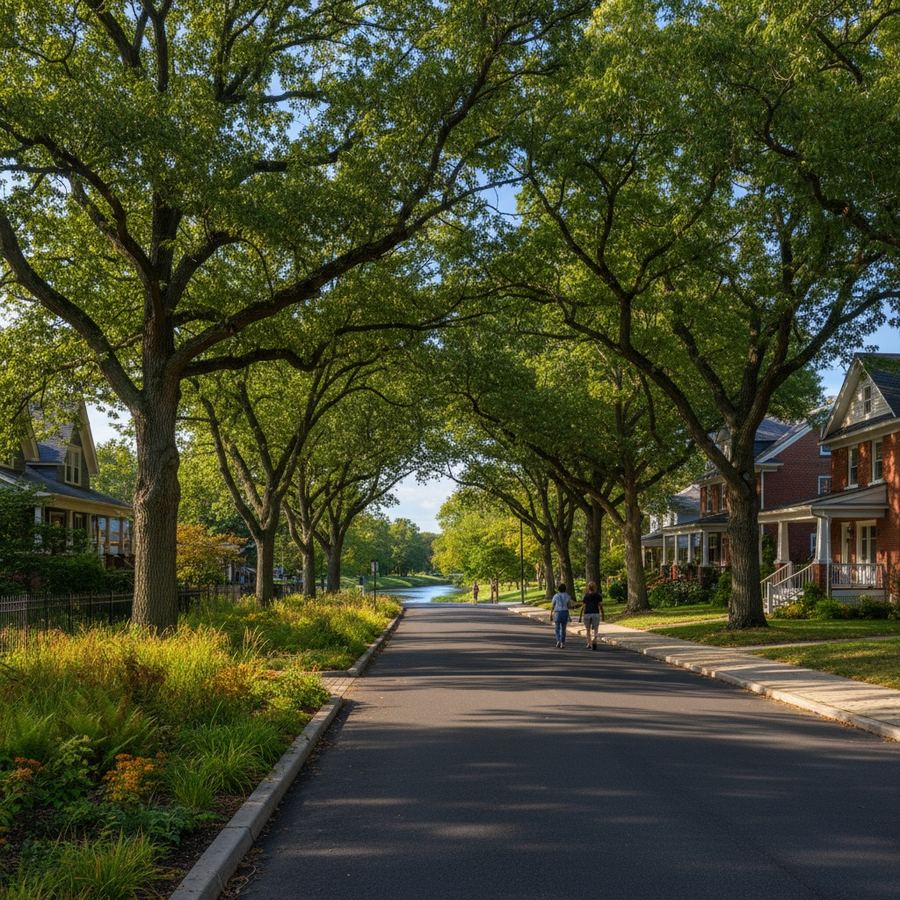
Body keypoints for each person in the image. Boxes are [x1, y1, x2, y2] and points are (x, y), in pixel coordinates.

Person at [581, 581, 604, 650]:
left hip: (587, 614)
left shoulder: (586, 596)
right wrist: (603, 614)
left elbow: (584, 606)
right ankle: (594, 639)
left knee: (588, 630)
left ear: (588, 588)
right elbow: (600, 606)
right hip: (595, 614)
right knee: (596, 629)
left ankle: (589, 643)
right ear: (595, 587)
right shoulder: (598, 595)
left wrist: (581, 616)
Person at [550, 583, 573, 648]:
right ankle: (562, 643)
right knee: (563, 629)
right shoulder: (568, 596)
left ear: (558, 589)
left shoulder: (555, 596)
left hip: (557, 613)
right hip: (565, 613)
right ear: (565, 589)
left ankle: (558, 641)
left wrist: (551, 614)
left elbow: (553, 606)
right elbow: (569, 606)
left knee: (557, 628)